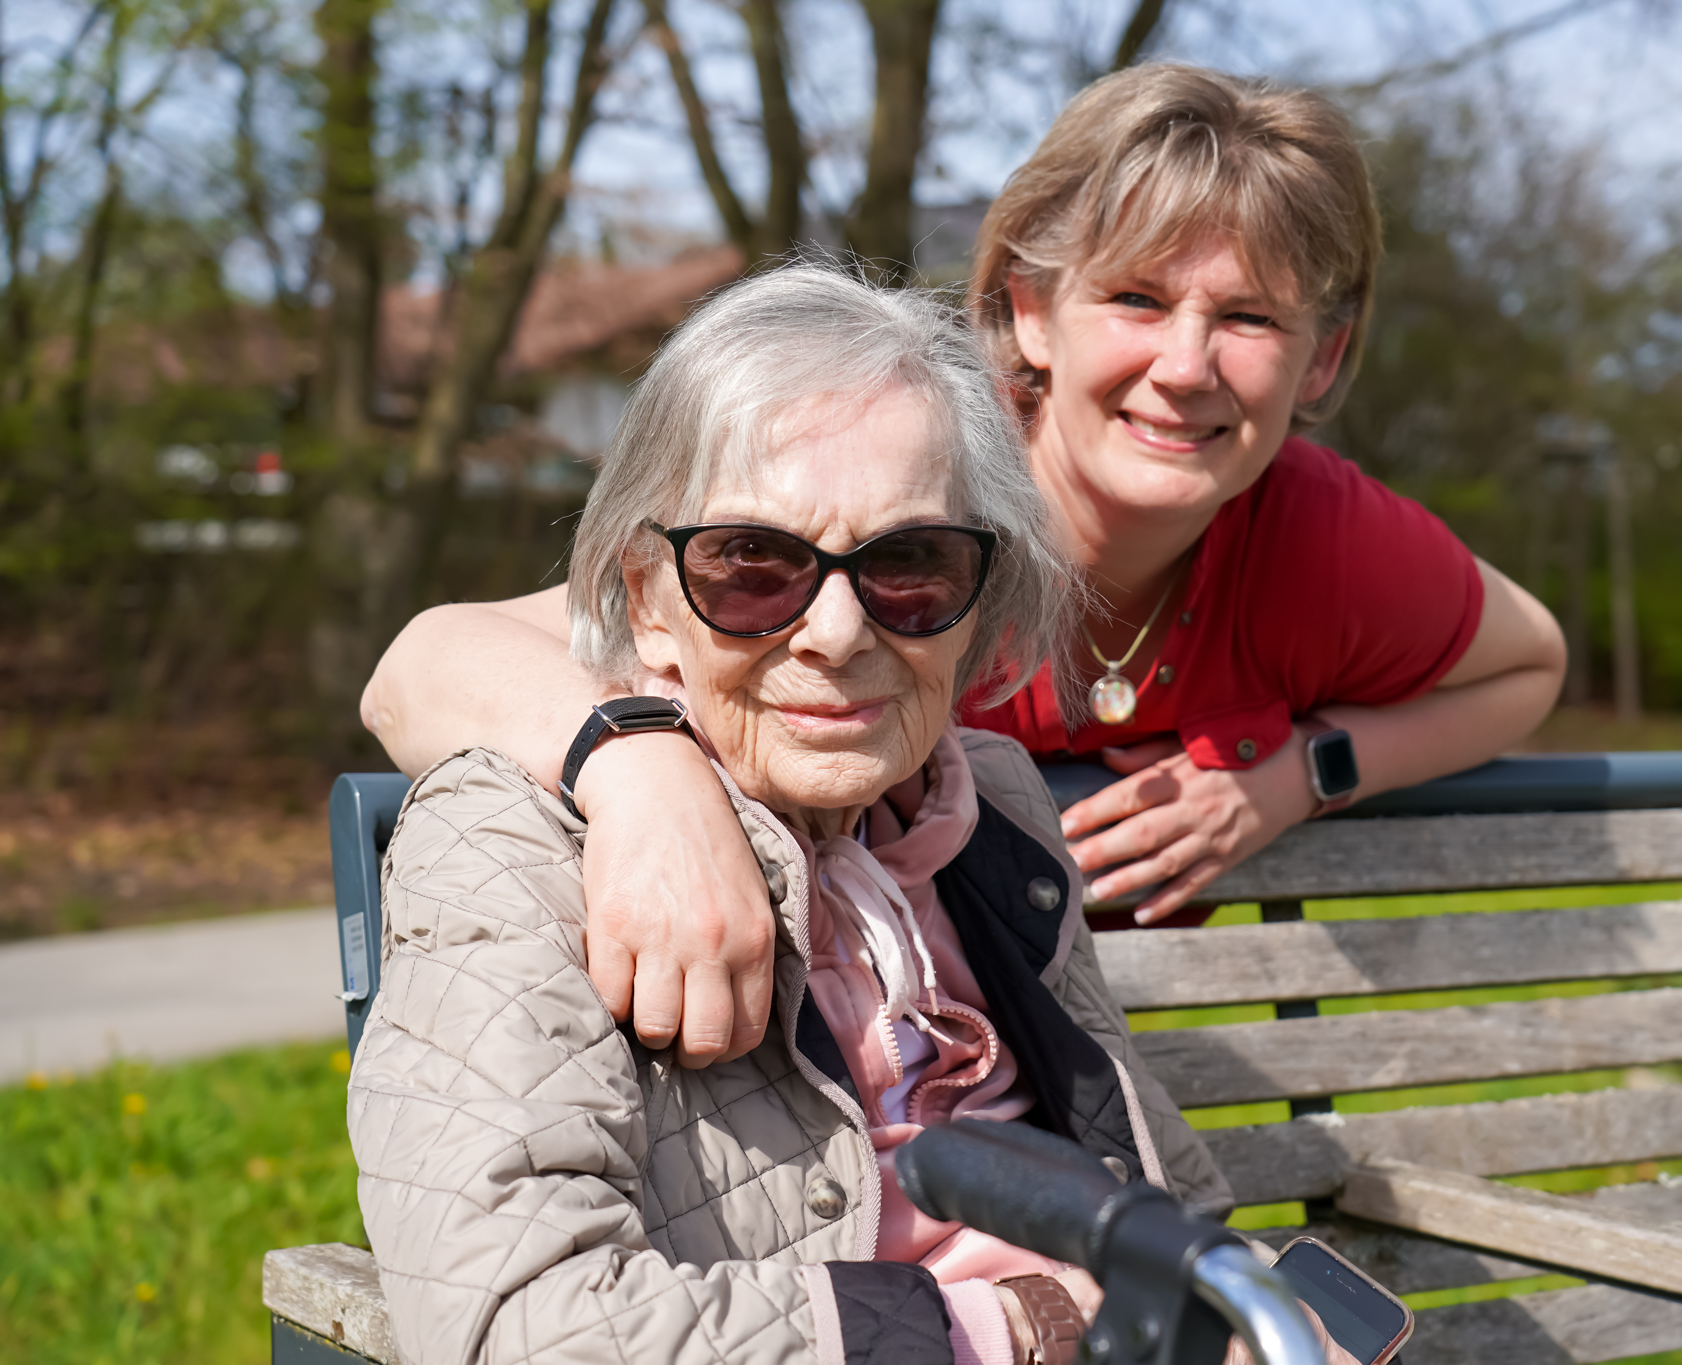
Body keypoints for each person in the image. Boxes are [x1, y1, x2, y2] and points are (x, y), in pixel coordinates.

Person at [360, 64, 1565, 1067]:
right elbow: (418, 668)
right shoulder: (908, 501)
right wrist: (642, 775)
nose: (1188, 364)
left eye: (1248, 318)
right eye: (1136, 298)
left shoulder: (1318, 535)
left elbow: (1528, 665)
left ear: (1319, 359)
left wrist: (1300, 776)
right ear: (1030, 310)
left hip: (1092, 1112)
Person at [349, 267, 1258, 1365]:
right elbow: (523, 1328)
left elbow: (1161, 1183)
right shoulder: (513, 844)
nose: (834, 633)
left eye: (911, 563)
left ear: (977, 597)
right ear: (647, 597)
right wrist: (1019, 1329)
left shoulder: (987, 806)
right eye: (752, 566)